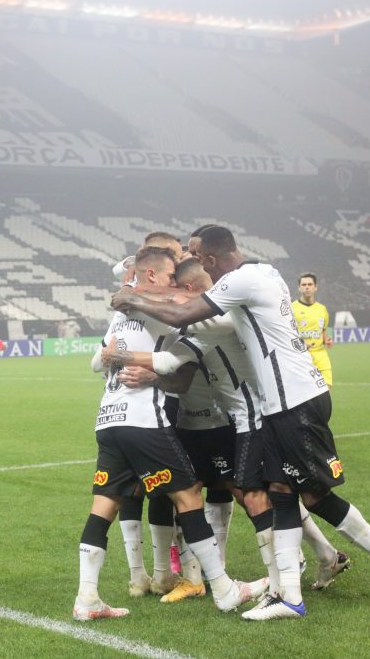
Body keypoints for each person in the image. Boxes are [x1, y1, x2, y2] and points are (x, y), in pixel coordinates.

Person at [110, 226, 370, 620]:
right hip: (277, 407)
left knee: (313, 496)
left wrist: (133, 295)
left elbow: (185, 309)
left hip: (297, 400)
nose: (193, 258)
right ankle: (288, 594)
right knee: (280, 492)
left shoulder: (242, 282)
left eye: (197, 255)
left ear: (212, 260)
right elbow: (184, 307)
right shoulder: (260, 274)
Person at [104, 258, 350, 604]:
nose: (173, 276)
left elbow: (178, 364)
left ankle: (288, 570)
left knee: (251, 491)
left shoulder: (211, 314)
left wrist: (128, 345)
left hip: (234, 417)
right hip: (195, 419)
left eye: (179, 272)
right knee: (202, 492)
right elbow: (134, 282)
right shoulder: (196, 305)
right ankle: (193, 575)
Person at [74, 246, 263, 621]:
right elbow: (197, 326)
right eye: (169, 277)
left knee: (104, 505)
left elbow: (97, 360)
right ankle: (224, 589)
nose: (174, 284)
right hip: (145, 421)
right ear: (151, 277)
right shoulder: (162, 314)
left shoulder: (121, 316)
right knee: (189, 495)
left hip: (108, 419)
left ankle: (87, 598)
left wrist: (117, 354)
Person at [293, 274, 334, 388]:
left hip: (321, 357)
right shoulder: (292, 309)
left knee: (326, 395)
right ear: (299, 288)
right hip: (301, 358)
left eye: (310, 284)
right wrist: (300, 342)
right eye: (304, 284)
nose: (307, 287)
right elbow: (286, 334)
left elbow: (323, 330)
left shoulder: (322, 309)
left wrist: (327, 340)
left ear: (315, 287)